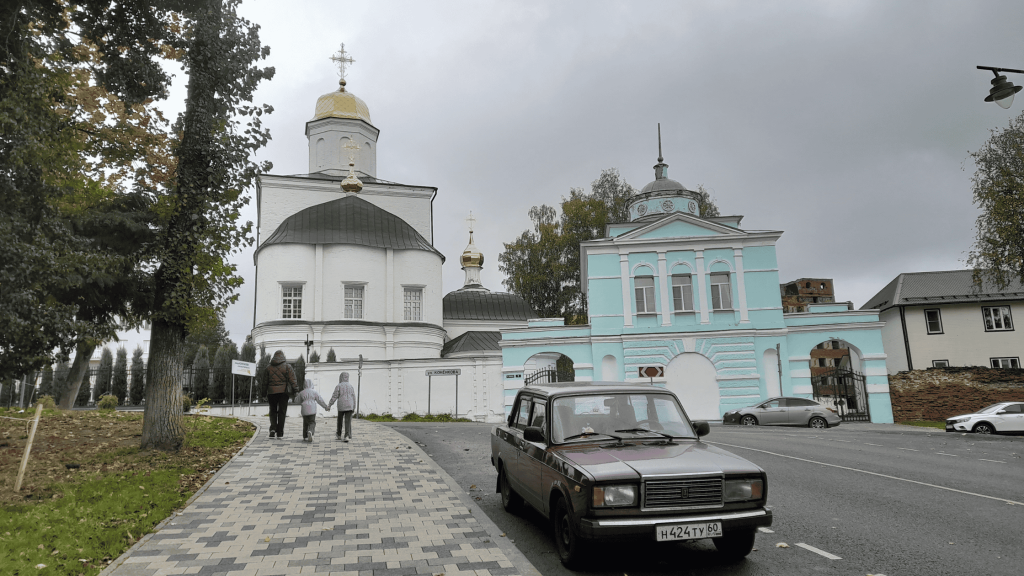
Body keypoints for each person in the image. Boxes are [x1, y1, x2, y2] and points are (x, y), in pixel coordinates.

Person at [264, 350, 297, 439]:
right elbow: (292, 380)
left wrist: (263, 393)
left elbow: (264, 382)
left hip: (271, 392)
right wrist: (296, 390)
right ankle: (280, 432)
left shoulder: (268, 368)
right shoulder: (287, 366)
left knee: (273, 411)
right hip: (283, 392)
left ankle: (273, 429)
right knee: (282, 412)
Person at [327, 372, 356, 442]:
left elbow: (334, 396)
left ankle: (339, 434)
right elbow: (353, 397)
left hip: (341, 405)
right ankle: (347, 436)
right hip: (349, 405)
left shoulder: (339, 386)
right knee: (348, 421)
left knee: (339, 420)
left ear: (341, 377)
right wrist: (354, 407)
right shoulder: (351, 386)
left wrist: (329, 404)